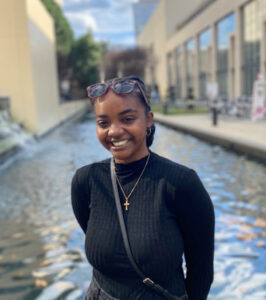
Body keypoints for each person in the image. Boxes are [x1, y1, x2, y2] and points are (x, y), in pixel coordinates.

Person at [71, 76, 215, 300]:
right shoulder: (86, 181)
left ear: (148, 120)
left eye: (127, 119)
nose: (114, 131)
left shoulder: (181, 183)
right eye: (103, 123)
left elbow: (201, 271)